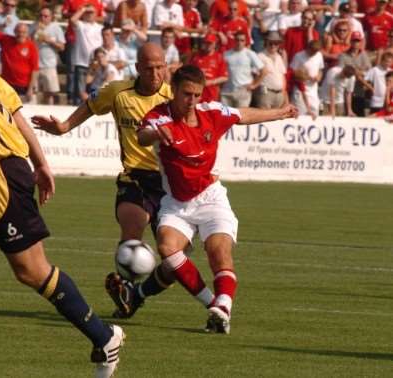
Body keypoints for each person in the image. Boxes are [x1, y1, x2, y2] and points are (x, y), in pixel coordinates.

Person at [0, 9, 123, 378]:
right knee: (16, 268)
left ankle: (104, 337)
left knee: (32, 270)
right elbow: (16, 113)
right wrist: (41, 164)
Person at [31, 43, 194, 319]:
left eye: (159, 67)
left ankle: (136, 296)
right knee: (132, 231)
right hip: (135, 178)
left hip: (170, 183)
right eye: (148, 68)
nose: (155, 73)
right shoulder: (118, 92)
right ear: (138, 68)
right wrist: (63, 127)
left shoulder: (174, 96)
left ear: (166, 66)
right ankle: (126, 286)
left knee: (176, 260)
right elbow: (91, 106)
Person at [137, 64, 298, 333]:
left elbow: (243, 115)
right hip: (176, 204)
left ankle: (221, 307)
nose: (192, 101)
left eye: (197, 95)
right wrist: (154, 134)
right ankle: (216, 305)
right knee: (167, 248)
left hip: (211, 197)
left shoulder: (211, 113)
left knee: (218, 252)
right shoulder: (159, 117)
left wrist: (279, 113)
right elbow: (142, 136)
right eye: (186, 94)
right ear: (173, 90)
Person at [30, 6, 66, 105]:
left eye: (46, 16)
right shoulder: (33, 26)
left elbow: (62, 47)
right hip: (34, 65)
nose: (43, 18)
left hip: (49, 65)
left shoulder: (56, 27)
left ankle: (48, 114)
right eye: (41, 15)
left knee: (50, 93)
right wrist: (34, 32)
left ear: (51, 17)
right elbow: (27, 42)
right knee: (33, 92)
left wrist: (49, 41)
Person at [221, 30, 266, 107]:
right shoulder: (226, 54)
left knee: (242, 117)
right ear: (234, 40)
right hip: (226, 91)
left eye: (242, 40)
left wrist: (254, 85)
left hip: (243, 91)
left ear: (245, 42)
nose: (239, 42)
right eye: (237, 40)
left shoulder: (250, 53)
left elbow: (264, 71)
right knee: (226, 117)